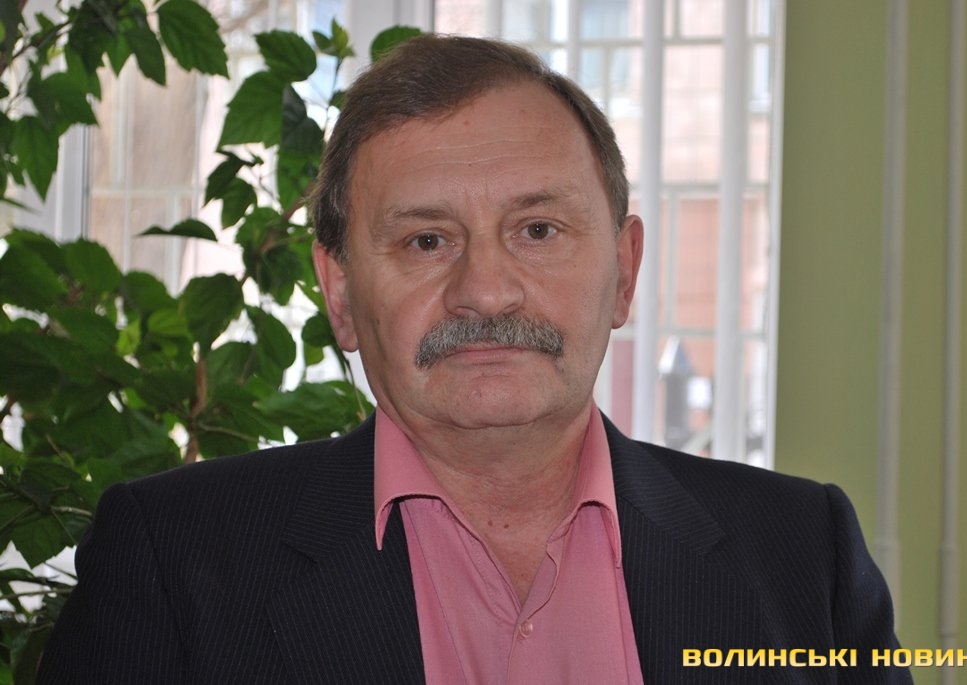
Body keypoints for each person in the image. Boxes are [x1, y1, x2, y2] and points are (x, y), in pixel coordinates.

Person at [38, 35, 910, 684]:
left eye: (538, 230)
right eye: (426, 240)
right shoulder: (174, 563)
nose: (486, 292)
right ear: (340, 292)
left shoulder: (805, 556)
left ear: (624, 271)